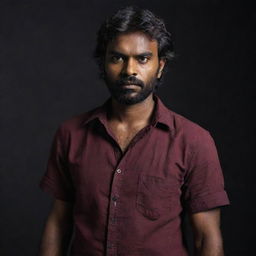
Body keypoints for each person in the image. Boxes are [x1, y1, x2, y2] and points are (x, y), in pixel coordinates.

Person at [39, 6, 230, 256]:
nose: (130, 70)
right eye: (118, 57)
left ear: (160, 66)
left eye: (142, 58)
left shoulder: (194, 141)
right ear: (103, 63)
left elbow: (207, 238)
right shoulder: (71, 134)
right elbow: (58, 224)